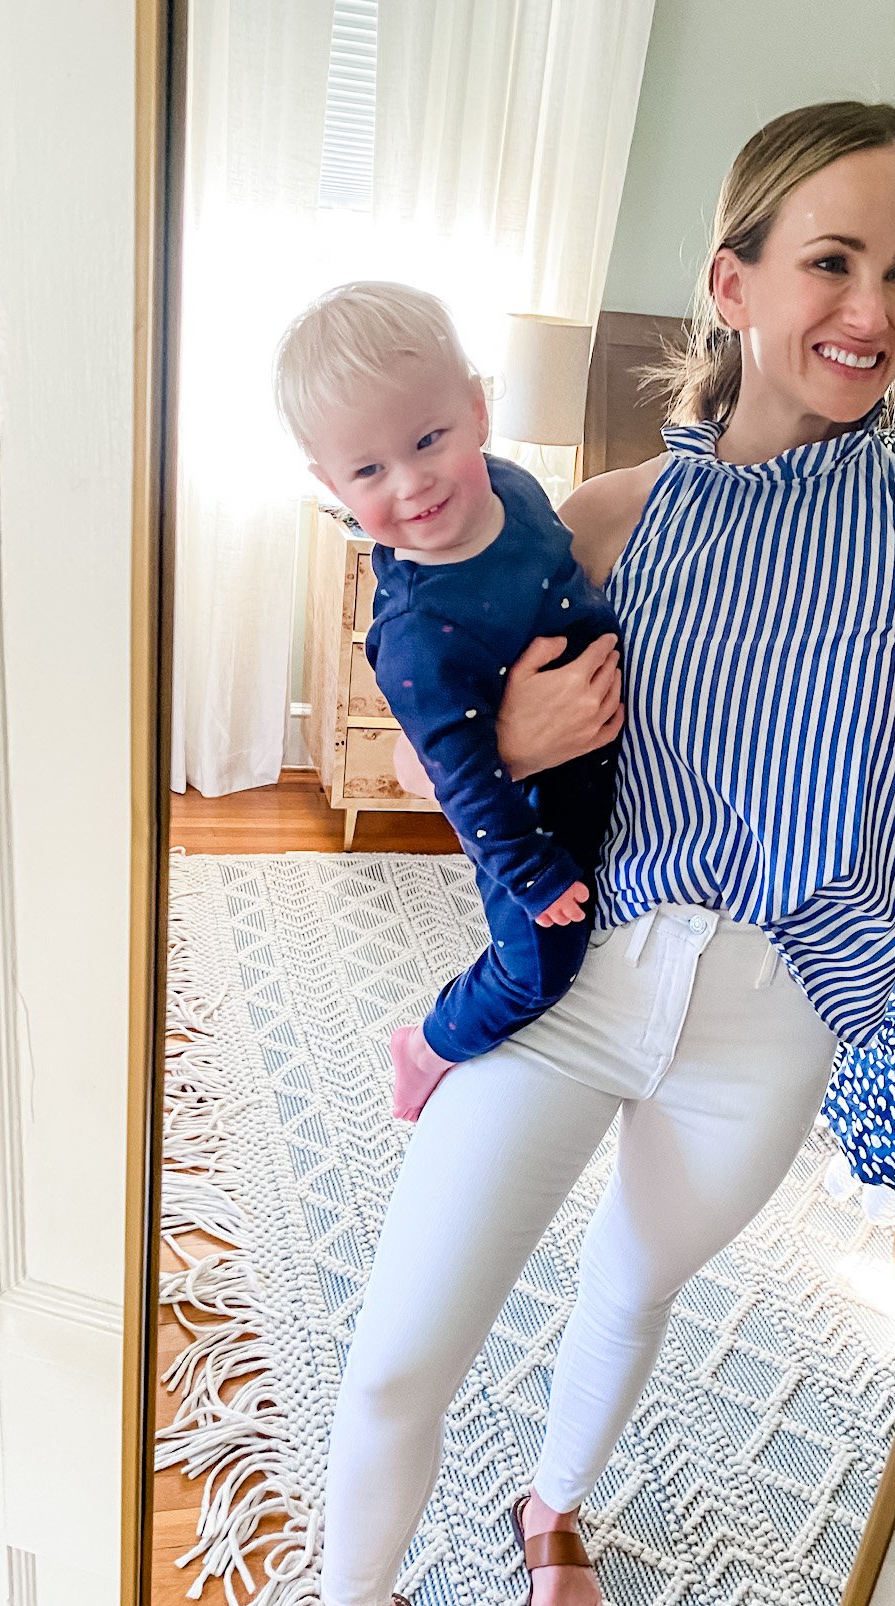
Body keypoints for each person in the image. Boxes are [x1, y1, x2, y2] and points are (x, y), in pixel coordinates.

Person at [255, 99, 895, 1606]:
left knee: (637, 1285)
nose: (872, 306)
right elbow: (452, 729)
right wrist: (497, 756)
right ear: (728, 282)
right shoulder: (591, 519)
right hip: (580, 989)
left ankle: (550, 1505)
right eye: (829, 259)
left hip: (774, 1015)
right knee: (401, 1352)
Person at [273, 282, 620, 1123]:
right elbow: (460, 780)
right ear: (332, 483)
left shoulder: (519, 492)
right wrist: (532, 876)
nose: (412, 481)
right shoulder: (417, 632)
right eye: (368, 470)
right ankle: (429, 1043)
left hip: (602, 776)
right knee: (540, 966)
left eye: (429, 438)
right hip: (526, 819)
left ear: (476, 412)